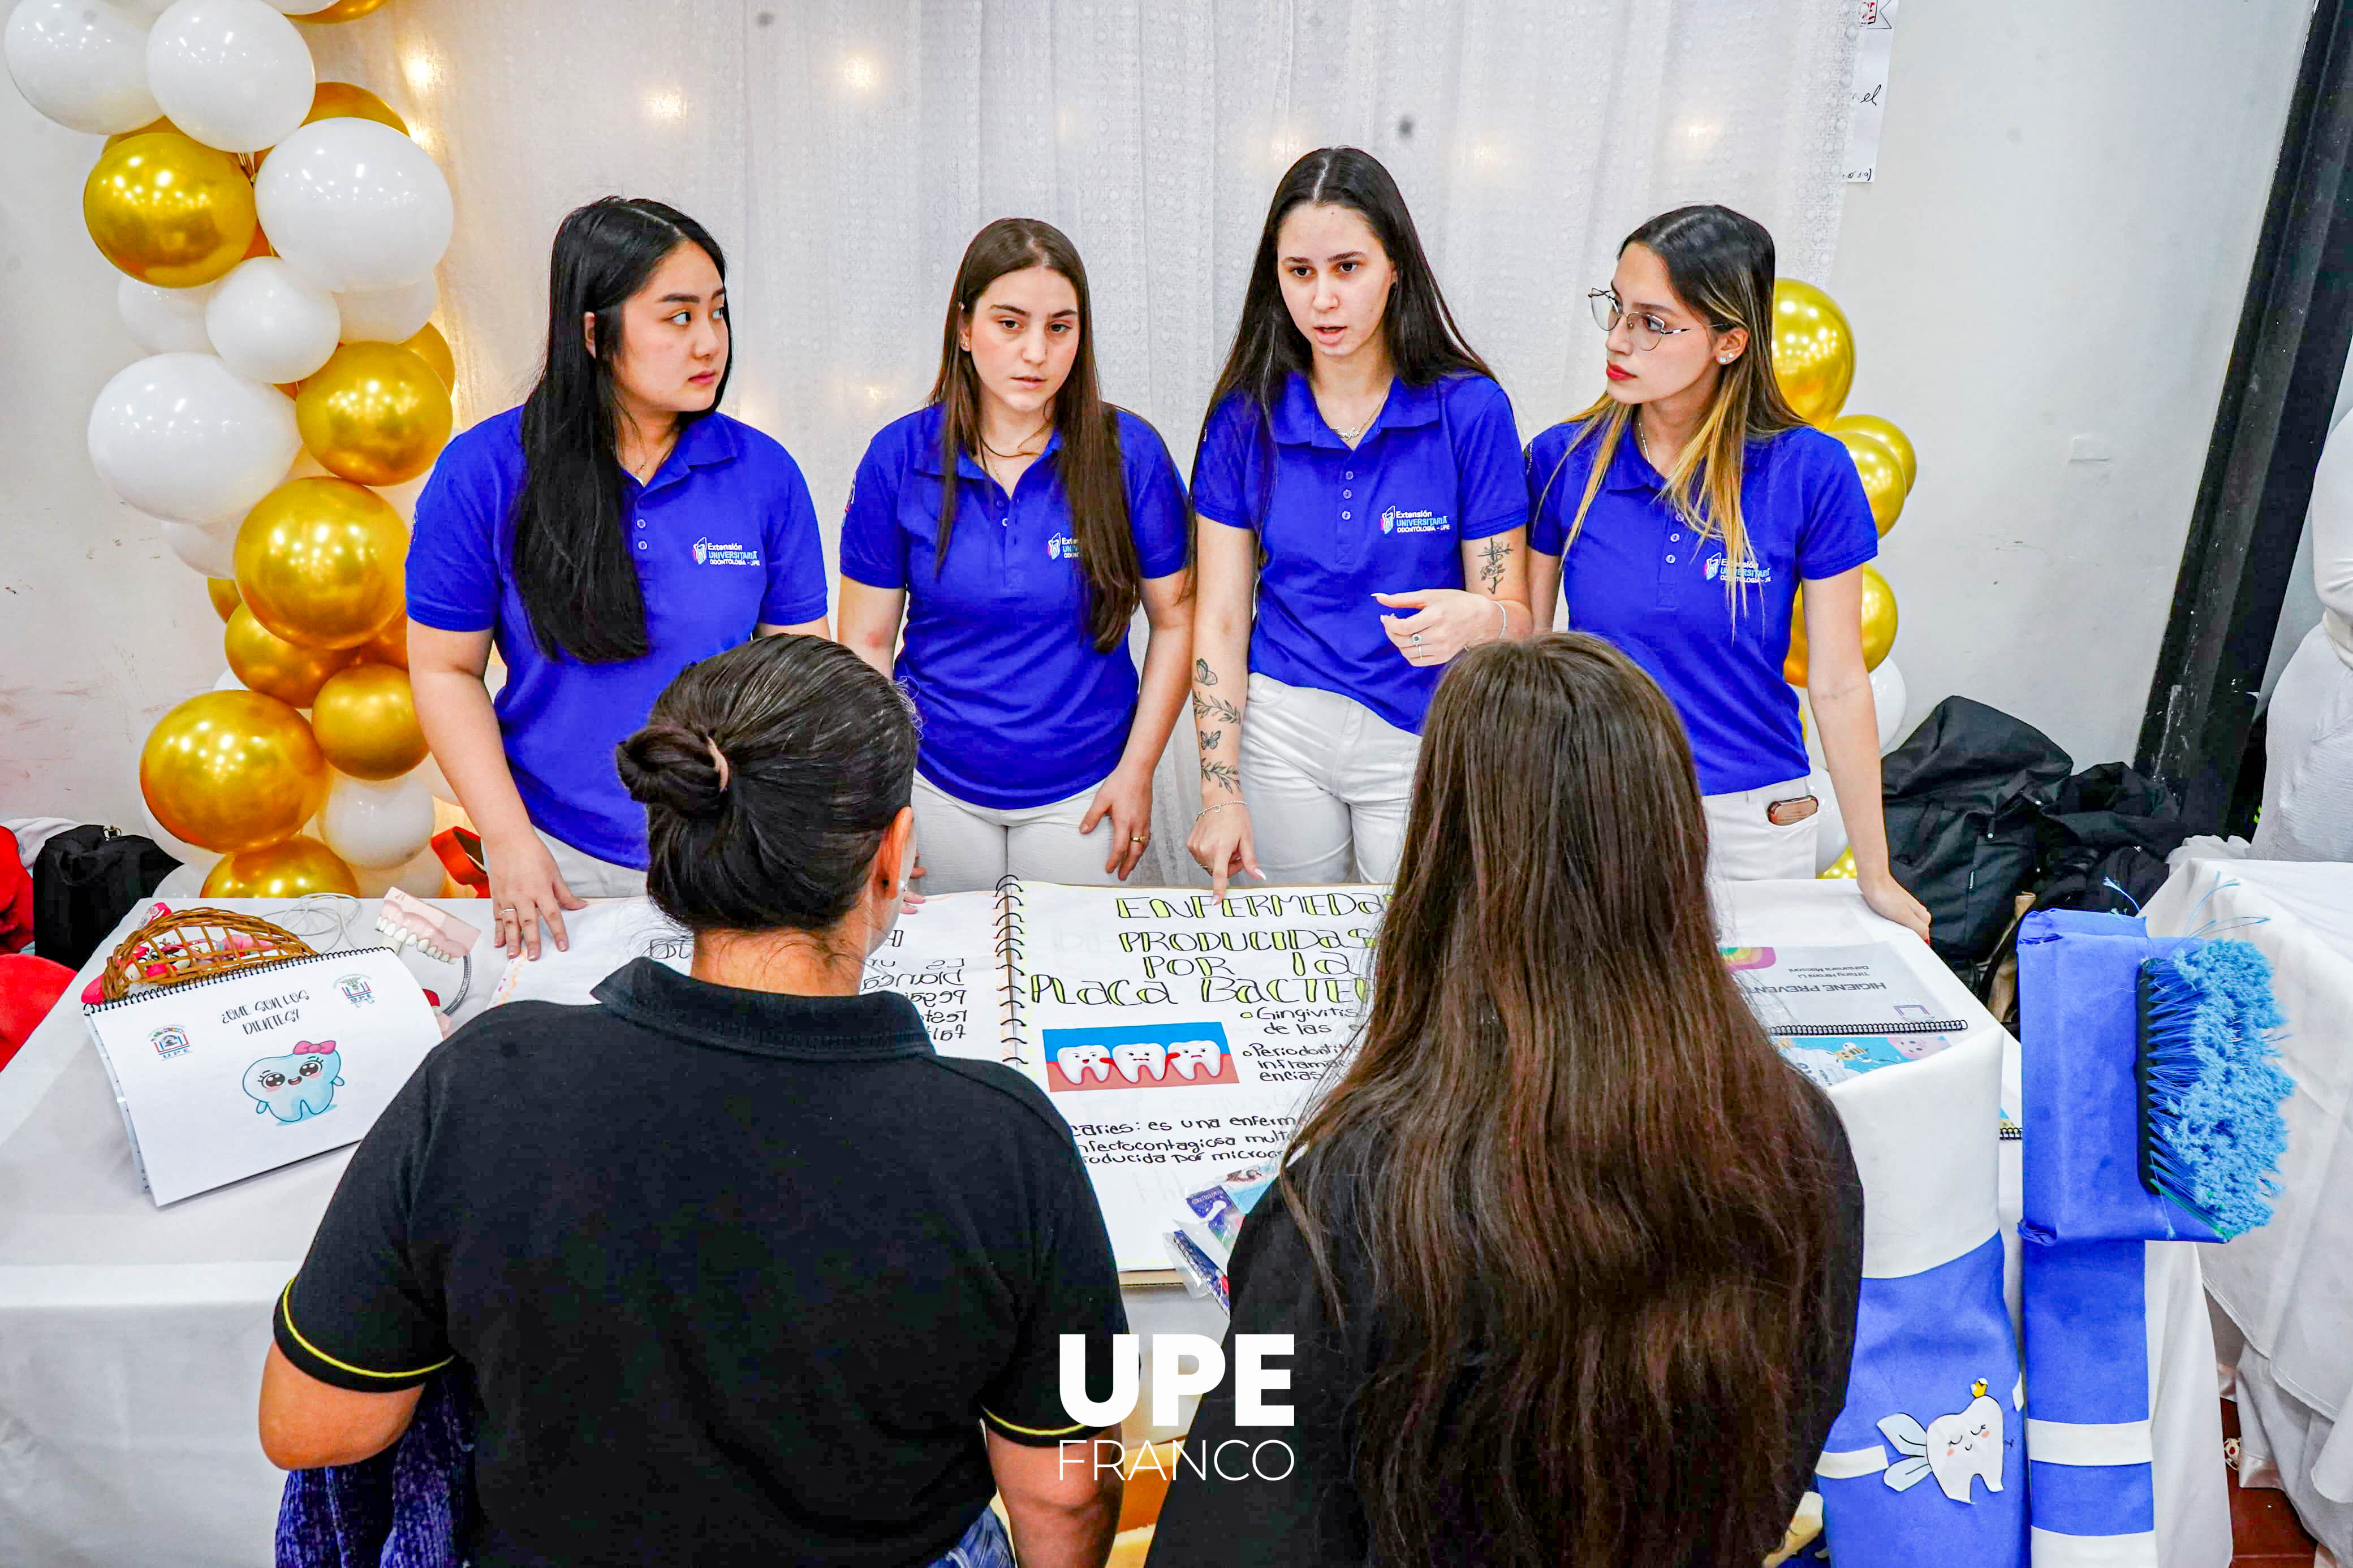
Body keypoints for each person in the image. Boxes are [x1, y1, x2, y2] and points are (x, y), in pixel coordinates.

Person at [257, 634, 1127, 1568]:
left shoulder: (486, 1078)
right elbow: (1063, 1493)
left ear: (669, 845)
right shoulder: (1002, 1137)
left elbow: (313, 1426)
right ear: (892, 857)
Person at [1149, 633, 1864, 1568]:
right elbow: (1783, 1463)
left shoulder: (1353, 1205)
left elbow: (1230, 1542)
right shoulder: (1798, 1138)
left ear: (1442, 856)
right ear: (1674, 844)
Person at [407, 197, 829, 958]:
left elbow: (802, 678)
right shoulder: (486, 471)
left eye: (719, 313)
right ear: (595, 332)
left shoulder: (764, 474)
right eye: (677, 317)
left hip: (728, 857)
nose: (710, 343)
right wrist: (508, 841)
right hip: (552, 858)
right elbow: (445, 670)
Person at [1526, 205, 1932, 938]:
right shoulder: (1563, 461)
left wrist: (1876, 872)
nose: (1620, 340)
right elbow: (1524, 654)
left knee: (1741, 1041)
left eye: (1655, 322)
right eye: (1617, 309)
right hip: (1599, 807)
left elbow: (1840, 683)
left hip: (1753, 819)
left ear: (1729, 341)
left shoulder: (1811, 470)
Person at [1186, 147, 1531, 897]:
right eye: (1300, 273)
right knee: (1283, 962)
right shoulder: (1243, 419)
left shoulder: (1470, 411)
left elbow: (1518, 615)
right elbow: (1218, 618)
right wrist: (1221, 793)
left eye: (1348, 268)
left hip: (1424, 735)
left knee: (1417, 959)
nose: (1324, 301)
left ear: (1395, 265)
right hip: (1281, 732)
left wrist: (1481, 618)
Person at [839, 218, 1192, 893]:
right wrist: (876, 798)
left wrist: (1138, 770)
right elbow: (866, 644)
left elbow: (1177, 620)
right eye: (1010, 323)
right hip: (931, 786)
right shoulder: (898, 457)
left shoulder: (1130, 453)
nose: (1036, 352)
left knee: (1074, 993)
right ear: (965, 328)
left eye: (1059, 327)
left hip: (1087, 793)